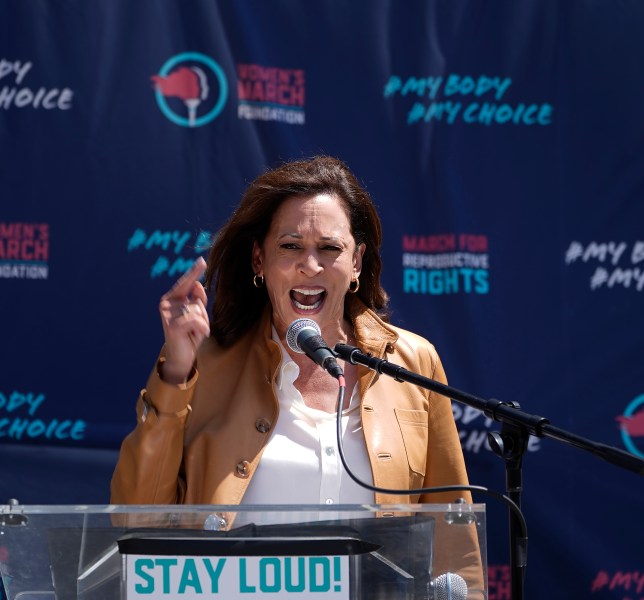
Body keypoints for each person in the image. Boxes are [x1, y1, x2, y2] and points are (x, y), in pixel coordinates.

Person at [111, 156, 484, 593]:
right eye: (290, 246)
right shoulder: (203, 363)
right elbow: (135, 518)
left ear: (358, 262)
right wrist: (176, 374)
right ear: (259, 259)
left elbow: (454, 546)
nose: (310, 265)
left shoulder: (412, 362)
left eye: (330, 248)